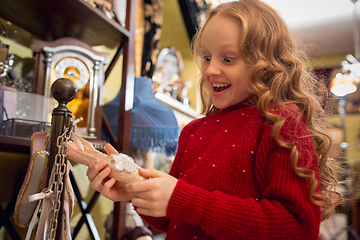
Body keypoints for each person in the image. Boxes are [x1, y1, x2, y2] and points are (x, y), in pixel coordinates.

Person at [86, 0, 343, 239]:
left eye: (227, 59)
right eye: (206, 57)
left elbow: (297, 227)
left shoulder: (282, 123)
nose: (210, 70)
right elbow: (170, 220)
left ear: (266, 64)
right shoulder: (193, 131)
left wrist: (184, 200)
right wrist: (133, 190)